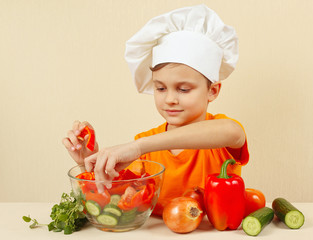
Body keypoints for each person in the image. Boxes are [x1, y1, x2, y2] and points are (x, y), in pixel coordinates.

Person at [62, 4, 249, 216]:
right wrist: (91, 162)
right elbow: (115, 197)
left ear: (213, 91)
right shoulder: (144, 142)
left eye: (184, 89)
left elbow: (233, 132)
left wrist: (140, 147)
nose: (170, 99)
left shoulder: (218, 140)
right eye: (160, 88)